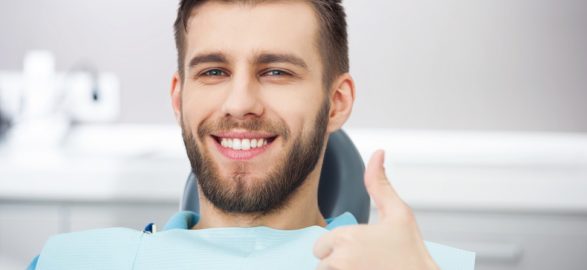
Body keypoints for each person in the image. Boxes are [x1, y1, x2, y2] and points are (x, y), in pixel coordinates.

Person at [29, 1, 474, 269]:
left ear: (336, 102)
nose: (240, 102)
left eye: (276, 71)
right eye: (214, 71)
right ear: (179, 98)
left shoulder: (419, 268)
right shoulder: (73, 262)